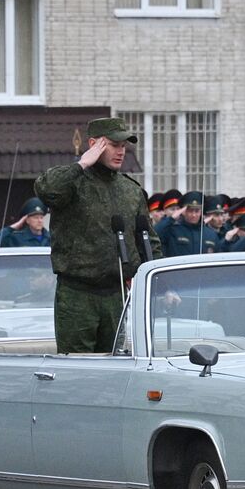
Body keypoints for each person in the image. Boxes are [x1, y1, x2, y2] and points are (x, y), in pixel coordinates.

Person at [33, 117, 155, 354]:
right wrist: (82, 164)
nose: (121, 152)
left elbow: (147, 238)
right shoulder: (74, 183)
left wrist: (156, 282)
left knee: (114, 367)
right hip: (78, 294)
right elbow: (47, 190)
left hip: (116, 294)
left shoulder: (130, 190)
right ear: (94, 144)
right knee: (77, 369)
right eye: (113, 145)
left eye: (123, 146)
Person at [156, 191, 219, 256]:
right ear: (183, 211)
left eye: (197, 211)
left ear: (201, 212)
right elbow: (156, 234)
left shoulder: (211, 234)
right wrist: (171, 218)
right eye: (190, 210)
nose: (194, 215)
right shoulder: (172, 230)